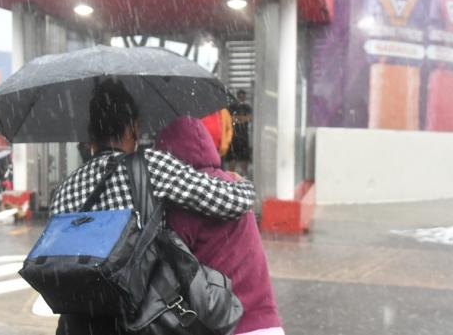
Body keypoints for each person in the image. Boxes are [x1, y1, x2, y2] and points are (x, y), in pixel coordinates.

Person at [50, 79, 257, 335]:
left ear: (90, 136)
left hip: (80, 323)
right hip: (141, 319)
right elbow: (228, 201)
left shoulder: (65, 189)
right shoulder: (150, 166)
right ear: (133, 128)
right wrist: (241, 184)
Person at [157, 116, 284, 335]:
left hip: (226, 326)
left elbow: (167, 268)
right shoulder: (233, 187)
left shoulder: (184, 202)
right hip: (266, 323)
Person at [226, 90, 253, 175]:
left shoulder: (247, 107)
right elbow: (230, 119)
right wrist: (241, 119)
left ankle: (243, 176)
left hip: (243, 136)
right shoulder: (232, 107)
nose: (241, 98)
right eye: (240, 96)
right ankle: (231, 177)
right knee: (232, 159)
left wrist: (237, 119)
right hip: (233, 136)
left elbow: (249, 118)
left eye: (243, 96)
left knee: (243, 159)